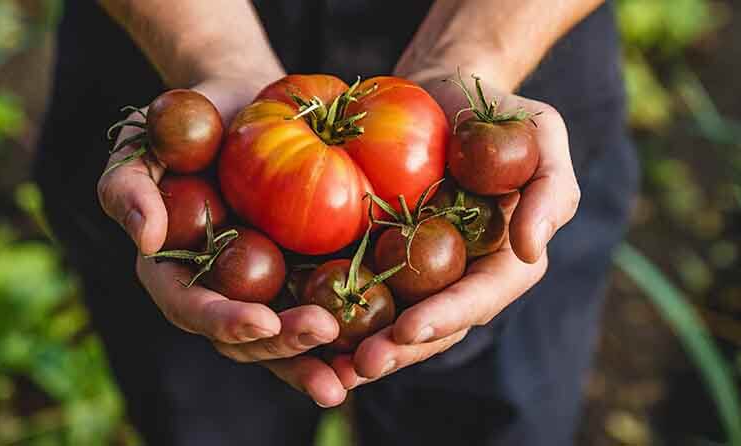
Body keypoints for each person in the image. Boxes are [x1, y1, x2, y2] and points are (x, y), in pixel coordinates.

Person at [34, 1, 639, 445]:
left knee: (496, 418)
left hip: (518, 38)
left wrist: (477, 51)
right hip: (162, 49)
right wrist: (206, 47)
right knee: (201, 421)